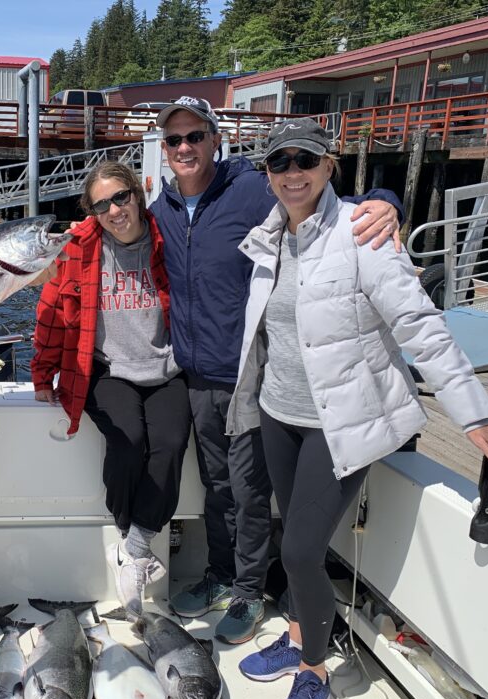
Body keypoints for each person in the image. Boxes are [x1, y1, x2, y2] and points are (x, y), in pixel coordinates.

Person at [230, 117, 488, 699]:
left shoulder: (364, 236)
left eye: (304, 160)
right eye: (279, 163)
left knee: (302, 551)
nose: (292, 173)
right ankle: (296, 633)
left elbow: (422, 328)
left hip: (340, 423)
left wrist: (476, 416)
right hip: (279, 414)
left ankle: (313, 669)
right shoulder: (268, 240)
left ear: (328, 166)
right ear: (267, 174)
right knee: (294, 533)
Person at [149, 96, 404, 644]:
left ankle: (249, 592)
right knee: (216, 486)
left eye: (196, 136)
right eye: (174, 140)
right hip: (195, 375)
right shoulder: (160, 209)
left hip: (246, 373)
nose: (185, 147)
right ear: (164, 149)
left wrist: (386, 201)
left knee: (248, 491)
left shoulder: (250, 189)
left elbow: (328, 200)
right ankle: (221, 575)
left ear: (215, 140)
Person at [31, 161, 189, 616]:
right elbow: (51, 312)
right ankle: (129, 537)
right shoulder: (79, 248)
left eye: (120, 197)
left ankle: (134, 548)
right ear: (91, 211)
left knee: (171, 442)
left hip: (165, 366)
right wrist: (42, 374)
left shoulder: (168, 237)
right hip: (107, 369)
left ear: (138, 194)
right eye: (101, 204)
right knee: (128, 441)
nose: (115, 210)